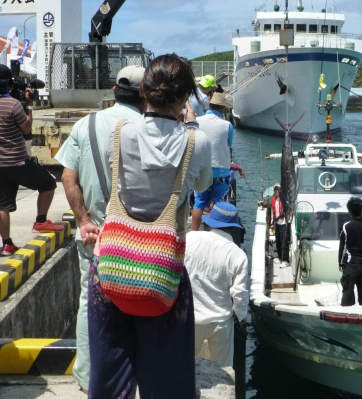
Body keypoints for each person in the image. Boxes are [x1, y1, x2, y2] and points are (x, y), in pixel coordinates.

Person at [88, 54, 213, 399]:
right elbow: (202, 186)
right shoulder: (196, 141)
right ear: (185, 97)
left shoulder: (120, 133)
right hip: (162, 269)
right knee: (168, 375)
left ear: (144, 90)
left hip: (111, 262)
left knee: (108, 369)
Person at [54, 65, 147, 393]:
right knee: (140, 307)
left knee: (89, 303)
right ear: (146, 94)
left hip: (94, 235)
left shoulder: (85, 124)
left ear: (113, 89)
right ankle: (135, 378)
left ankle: (87, 376)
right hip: (138, 239)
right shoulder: (150, 127)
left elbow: (68, 177)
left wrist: (83, 220)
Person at [0, 64, 63, 256]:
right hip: (18, 161)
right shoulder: (14, 105)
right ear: (10, 83)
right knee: (48, 184)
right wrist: (29, 106)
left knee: (2, 205)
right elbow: (26, 129)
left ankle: (7, 244)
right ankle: (41, 220)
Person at [185, 202, 248, 367]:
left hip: (190, 317)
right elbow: (239, 294)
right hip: (221, 322)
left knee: (184, 366)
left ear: (211, 221)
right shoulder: (238, 254)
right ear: (233, 227)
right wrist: (242, 316)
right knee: (223, 372)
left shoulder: (191, 238)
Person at [191, 92, 234, 231]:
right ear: (222, 108)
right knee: (219, 204)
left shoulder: (198, 120)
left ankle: (195, 233)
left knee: (199, 203)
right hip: (221, 171)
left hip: (202, 169)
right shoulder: (227, 125)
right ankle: (217, 233)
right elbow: (229, 147)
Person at [338, 196, 362, 306]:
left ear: (350, 211)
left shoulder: (346, 226)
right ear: (361, 210)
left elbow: (343, 247)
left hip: (351, 264)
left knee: (347, 292)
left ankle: (347, 312)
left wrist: (340, 263)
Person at [270, 183, 290, 267]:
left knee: (284, 241)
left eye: (278, 189)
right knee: (277, 240)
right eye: (275, 189)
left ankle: (285, 260)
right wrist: (272, 223)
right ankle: (279, 257)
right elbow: (272, 211)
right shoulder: (273, 199)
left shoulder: (284, 200)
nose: (276, 191)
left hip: (284, 222)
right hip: (277, 223)